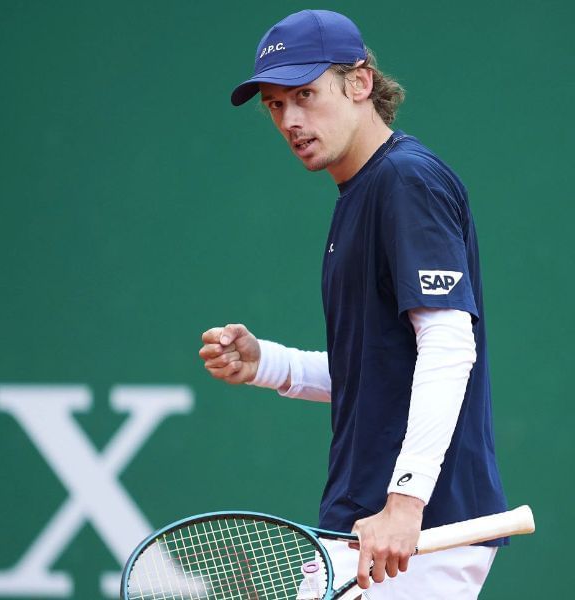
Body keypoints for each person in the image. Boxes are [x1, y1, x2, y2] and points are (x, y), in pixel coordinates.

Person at [199, 10, 506, 598]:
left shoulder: (406, 181)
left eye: (305, 95)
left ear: (360, 82)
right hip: (365, 526)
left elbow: (448, 344)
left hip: (419, 532)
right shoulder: (361, 194)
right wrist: (268, 363)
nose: (291, 120)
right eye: (275, 105)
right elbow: (379, 375)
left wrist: (405, 502)